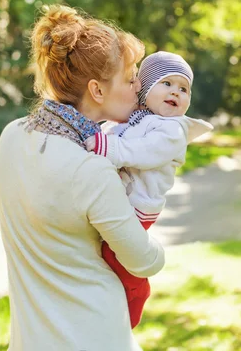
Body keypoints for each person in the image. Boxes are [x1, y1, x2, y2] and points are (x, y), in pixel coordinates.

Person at [0, 5, 165, 351]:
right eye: (131, 78)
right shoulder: (91, 170)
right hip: (96, 337)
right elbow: (145, 260)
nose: (139, 89)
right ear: (97, 91)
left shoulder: (10, 137)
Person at [85, 51, 213, 328]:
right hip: (123, 197)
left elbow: (147, 152)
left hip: (140, 204)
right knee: (101, 251)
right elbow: (111, 136)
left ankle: (136, 291)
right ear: (145, 88)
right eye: (166, 84)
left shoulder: (173, 129)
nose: (175, 92)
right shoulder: (134, 120)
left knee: (114, 254)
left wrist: (109, 149)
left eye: (183, 89)